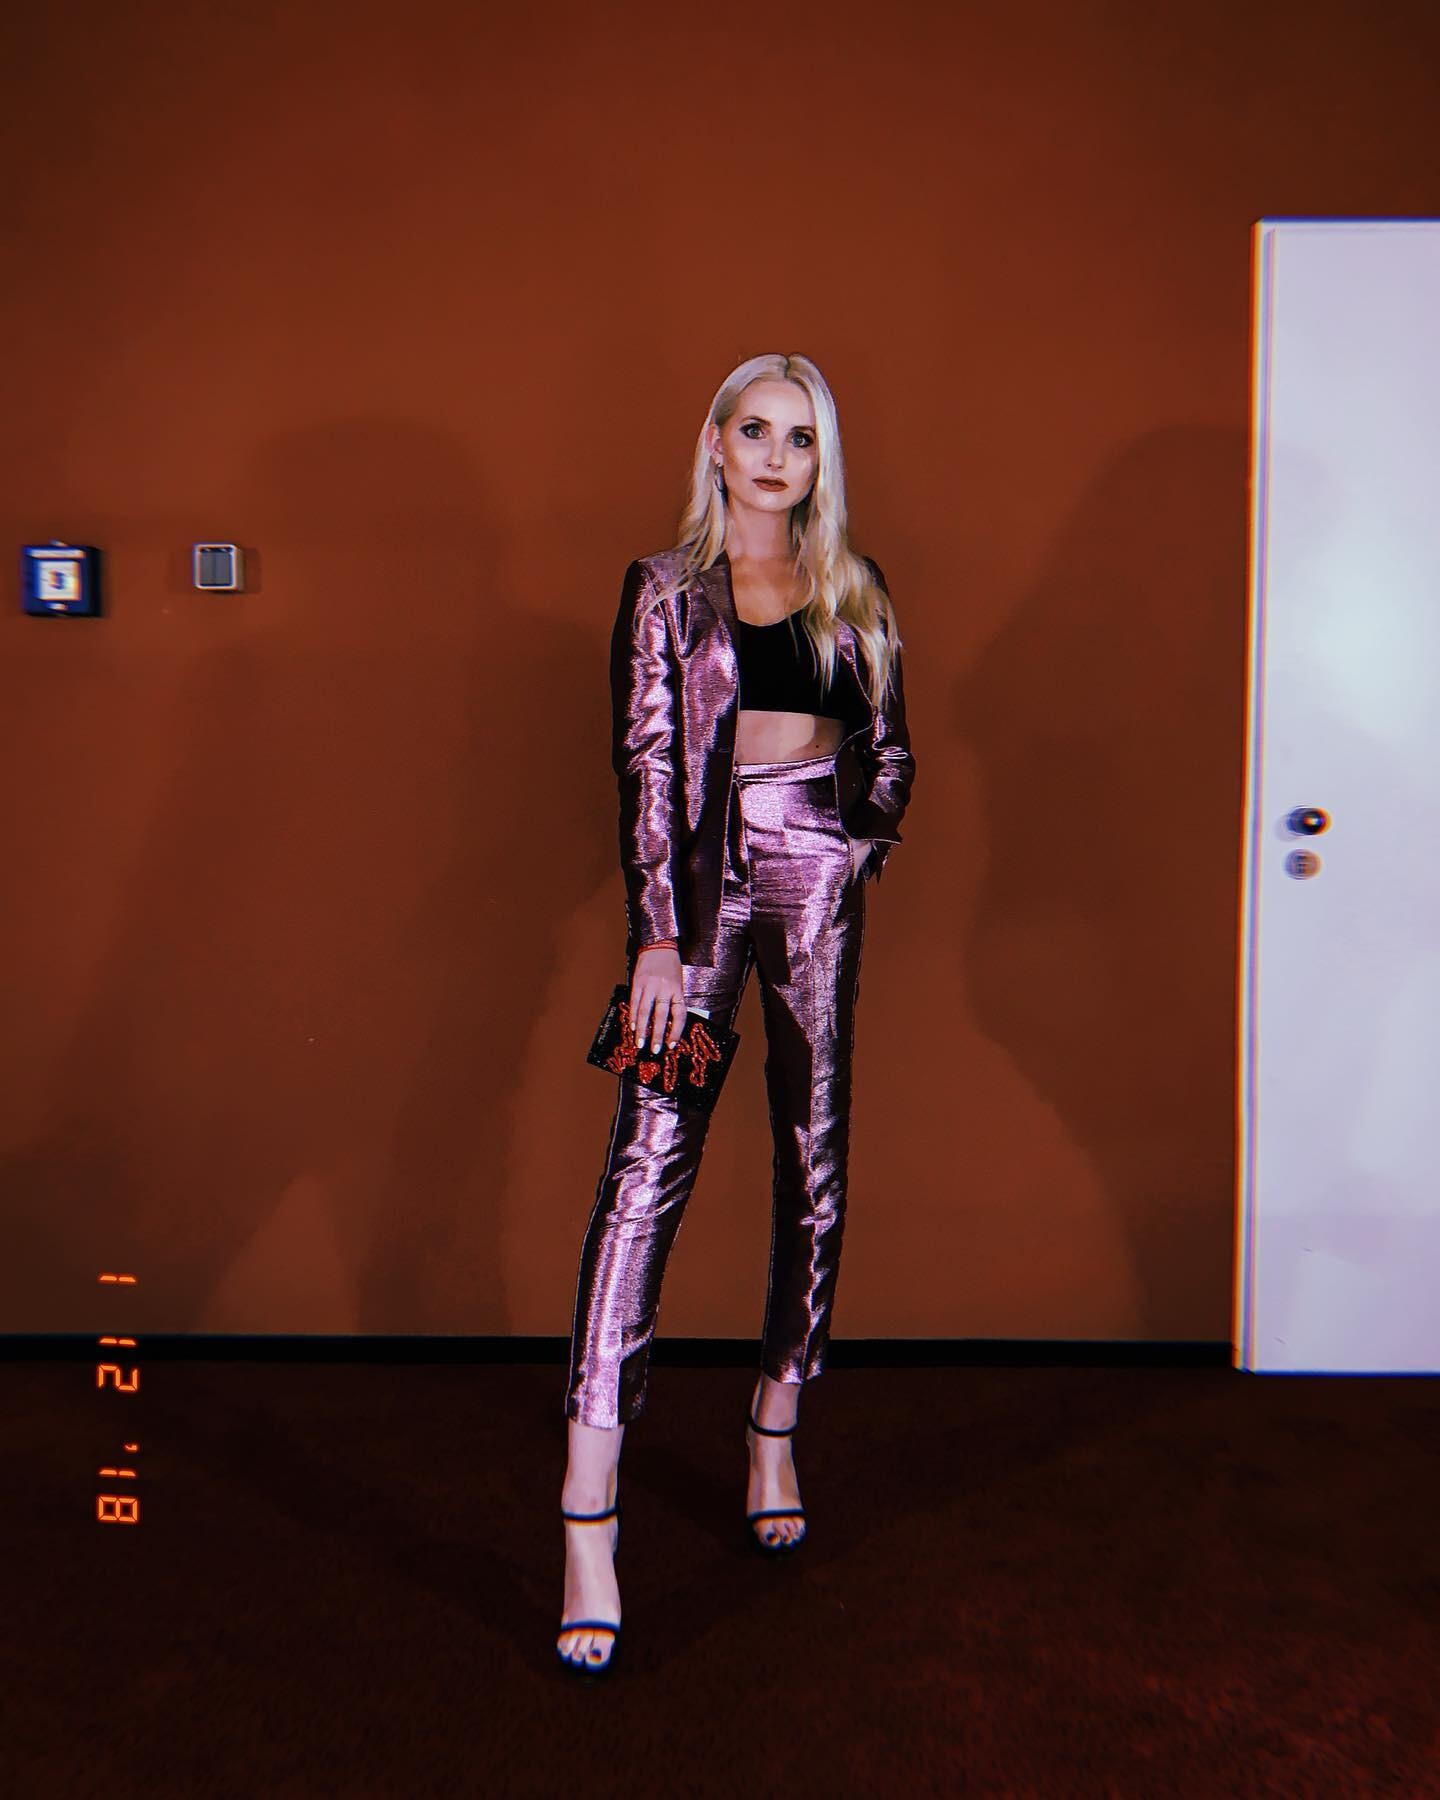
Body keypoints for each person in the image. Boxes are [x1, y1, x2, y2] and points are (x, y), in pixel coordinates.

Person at [557, 351, 916, 1674]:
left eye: (800, 438)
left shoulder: (855, 586)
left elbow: (892, 745)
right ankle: (587, 1518)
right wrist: (658, 933)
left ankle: (775, 1426)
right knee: (645, 1168)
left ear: (822, 461)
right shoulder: (664, 591)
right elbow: (648, 763)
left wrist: (858, 839)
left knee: (813, 1154)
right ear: (715, 443)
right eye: (754, 430)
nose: (775, 456)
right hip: (697, 895)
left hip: (815, 865)